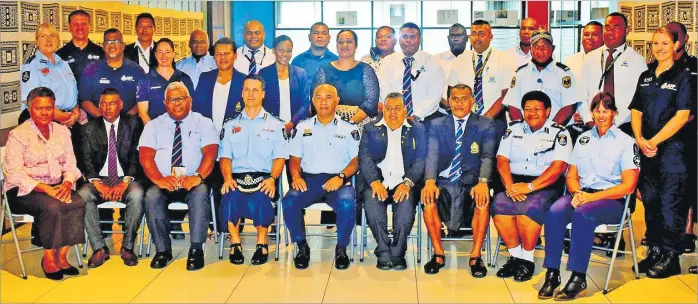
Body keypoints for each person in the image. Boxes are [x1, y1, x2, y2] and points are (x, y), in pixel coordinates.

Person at [538, 93, 640, 300]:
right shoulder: (583, 139)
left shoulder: (626, 142)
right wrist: (577, 192)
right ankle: (552, 274)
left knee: (583, 213)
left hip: (613, 201)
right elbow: (572, 175)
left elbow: (628, 186)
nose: (601, 115)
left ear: (614, 113)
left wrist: (591, 198)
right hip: (583, 195)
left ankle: (578, 277)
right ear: (591, 112)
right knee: (554, 211)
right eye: (597, 110)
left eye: (605, 111)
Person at [629, 27, 693, 279]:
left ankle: (671, 256)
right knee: (651, 202)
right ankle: (655, 250)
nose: (659, 48)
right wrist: (639, 138)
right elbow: (636, 109)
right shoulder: (645, 75)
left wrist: (653, 140)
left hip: (673, 152)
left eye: (665, 43)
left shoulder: (684, 76)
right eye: (655, 43)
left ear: (676, 45)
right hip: (648, 150)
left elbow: (683, 115)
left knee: (671, 204)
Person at [3, 87, 86, 281]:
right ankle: (48, 257)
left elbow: (71, 164)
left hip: (57, 184)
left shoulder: (62, 131)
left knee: (78, 202)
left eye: (48, 108)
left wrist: (67, 183)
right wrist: (46, 189)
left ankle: (62, 256)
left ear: (53, 108)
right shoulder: (18, 135)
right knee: (53, 206)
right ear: (29, 108)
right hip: (24, 190)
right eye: (39, 108)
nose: (44, 112)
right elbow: (13, 174)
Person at [492, 90, 572, 282]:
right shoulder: (513, 130)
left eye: (537, 109)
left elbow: (558, 167)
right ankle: (515, 256)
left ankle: (527, 260)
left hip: (545, 184)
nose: (532, 113)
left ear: (548, 111)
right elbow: (502, 160)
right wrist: (510, 186)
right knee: (499, 207)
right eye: (527, 109)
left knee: (528, 210)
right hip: (513, 182)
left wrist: (528, 187)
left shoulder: (560, 133)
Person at [138, 81, 219, 271]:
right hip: (164, 179)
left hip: (193, 179)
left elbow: (211, 153)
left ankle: (196, 249)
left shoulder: (204, 123)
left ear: (189, 100)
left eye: (182, 98)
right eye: (173, 100)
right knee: (151, 196)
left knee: (201, 193)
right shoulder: (153, 126)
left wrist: (198, 176)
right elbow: (146, 156)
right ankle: (162, 250)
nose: (178, 103)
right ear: (165, 103)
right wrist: (159, 179)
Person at [282, 84, 360, 270]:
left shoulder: (349, 129)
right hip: (309, 180)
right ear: (313, 101)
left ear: (337, 101)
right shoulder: (302, 127)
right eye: (318, 97)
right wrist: (295, 177)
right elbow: (294, 160)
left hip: (338, 181)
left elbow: (356, 161)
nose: (323, 101)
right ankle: (301, 246)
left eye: (328, 97)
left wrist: (341, 177)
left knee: (348, 204)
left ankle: (341, 249)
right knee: (289, 201)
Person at [420, 84, 495, 277]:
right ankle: (438, 254)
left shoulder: (485, 124)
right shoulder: (437, 125)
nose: (459, 103)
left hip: (472, 182)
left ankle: (476, 256)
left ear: (472, 101)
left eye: (464, 98)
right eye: (454, 98)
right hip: (444, 181)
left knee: (483, 200)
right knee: (427, 200)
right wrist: (429, 181)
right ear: (448, 102)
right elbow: (432, 155)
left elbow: (487, 156)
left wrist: (483, 182)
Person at [219, 75, 288, 266]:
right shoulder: (230, 125)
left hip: (264, 178)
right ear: (241, 93)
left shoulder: (276, 125)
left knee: (262, 196)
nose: (250, 94)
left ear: (263, 94)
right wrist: (227, 178)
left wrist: (273, 178)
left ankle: (261, 243)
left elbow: (279, 157)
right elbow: (225, 157)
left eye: (255, 90)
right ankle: (235, 243)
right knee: (229, 195)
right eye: (247, 90)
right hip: (236, 178)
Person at [77, 88, 145, 268]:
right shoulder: (88, 128)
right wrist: (98, 183)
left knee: (137, 195)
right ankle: (99, 248)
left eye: (112, 103)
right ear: (99, 106)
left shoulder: (134, 124)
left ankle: (128, 247)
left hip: (126, 178)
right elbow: (85, 159)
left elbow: (137, 156)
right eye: (103, 104)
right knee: (83, 196)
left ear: (121, 104)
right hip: (99, 178)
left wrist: (125, 182)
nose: (108, 108)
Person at [359, 92, 426, 270]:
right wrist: (374, 182)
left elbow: (420, 160)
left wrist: (407, 183)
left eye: (397, 109)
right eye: (388, 108)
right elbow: (365, 158)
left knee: (405, 208)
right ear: (383, 110)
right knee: (373, 206)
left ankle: (397, 253)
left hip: (404, 182)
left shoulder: (417, 129)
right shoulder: (371, 128)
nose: (393, 113)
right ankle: (383, 251)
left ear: (405, 111)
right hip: (378, 181)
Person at [578, 13, 648, 134]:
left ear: (627, 31)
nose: (610, 31)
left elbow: (641, 99)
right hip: (592, 127)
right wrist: (589, 121)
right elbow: (581, 93)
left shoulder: (637, 60)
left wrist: (619, 123)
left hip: (625, 127)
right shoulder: (590, 58)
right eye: (607, 27)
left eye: (616, 27)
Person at [446, 20, 513, 141]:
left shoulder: (503, 59)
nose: (477, 37)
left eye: (481, 33)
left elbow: (506, 94)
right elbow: (451, 91)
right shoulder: (461, 60)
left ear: (491, 36)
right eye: (474, 33)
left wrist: (484, 119)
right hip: (465, 123)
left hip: (494, 121)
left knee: (491, 158)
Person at [662, 21, 697, 255]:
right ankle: (660, 233)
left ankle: (687, 232)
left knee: (689, 185)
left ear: (683, 39)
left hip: (690, 133)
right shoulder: (656, 66)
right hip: (663, 135)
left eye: (675, 35)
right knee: (664, 188)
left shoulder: (694, 65)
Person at [503, 30, 577, 126]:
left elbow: (569, 106)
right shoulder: (520, 73)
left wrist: (550, 130)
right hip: (525, 132)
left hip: (556, 131)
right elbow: (513, 105)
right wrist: (522, 129)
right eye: (536, 46)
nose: (540, 50)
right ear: (530, 49)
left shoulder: (564, 74)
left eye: (545, 46)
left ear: (553, 49)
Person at [378, 23, 445, 125]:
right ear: (399, 39)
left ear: (420, 38)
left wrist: (417, 116)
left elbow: (435, 94)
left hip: (426, 120)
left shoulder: (433, 61)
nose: (408, 40)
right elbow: (384, 90)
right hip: (394, 120)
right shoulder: (388, 62)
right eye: (404, 37)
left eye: (412, 37)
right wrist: (396, 113)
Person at [313, 29, 379, 125]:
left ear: (356, 45)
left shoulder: (366, 70)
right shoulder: (324, 70)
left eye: (349, 41)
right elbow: (316, 100)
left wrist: (349, 124)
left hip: (360, 125)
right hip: (327, 124)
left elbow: (371, 103)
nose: (344, 45)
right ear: (336, 46)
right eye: (340, 42)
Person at [19, 23, 79, 127]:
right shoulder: (31, 66)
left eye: (52, 35)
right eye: (43, 36)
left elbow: (73, 95)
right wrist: (64, 117)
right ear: (37, 42)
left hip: (68, 120)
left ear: (57, 41)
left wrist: (76, 113)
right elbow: (32, 102)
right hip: (42, 122)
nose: (48, 39)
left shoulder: (64, 64)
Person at [80, 28, 144, 119]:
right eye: (108, 42)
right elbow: (85, 100)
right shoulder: (91, 69)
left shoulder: (137, 70)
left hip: (129, 125)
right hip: (98, 124)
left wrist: (125, 120)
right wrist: (103, 119)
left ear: (123, 46)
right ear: (103, 46)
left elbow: (143, 100)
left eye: (116, 41)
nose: (112, 45)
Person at [257, 35, 311, 133]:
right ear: (273, 50)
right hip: (269, 128)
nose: (285, 54)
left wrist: (291, 123)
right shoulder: (263, 73)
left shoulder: (300, 74)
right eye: (281, 50)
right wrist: (273, 124)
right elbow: (259, 102)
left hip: (296, 128)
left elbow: (305, 104)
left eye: (289, 51)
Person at [136, 38, 195, 124]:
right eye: (160, 52)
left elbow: (190, 108)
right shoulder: (145, 81)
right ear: (155, 55)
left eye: (167, 52)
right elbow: (143, 113)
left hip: (181, 129)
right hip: (155, 131)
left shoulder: (184, 78)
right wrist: (155, 133)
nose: (163, 56)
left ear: (173, 54)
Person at [193, 37, 246, 133]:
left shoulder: (244, 81)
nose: (222, 58)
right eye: (218, 54)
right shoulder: (205, 78)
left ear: (235, 56)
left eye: (226, 54)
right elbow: (196, 109)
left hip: (235, 138)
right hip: (208, 138)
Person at [564, 21, 604, 140]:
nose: (589, 38)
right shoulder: (570, 61)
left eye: (595, 34)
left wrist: (590, 117)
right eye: (586, 34)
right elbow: (566, 93)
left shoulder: (608, 61)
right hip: (572, 122)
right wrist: (573, 114)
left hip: (599, 122)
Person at [56, 9, 105, 87]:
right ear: (69, 27)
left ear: (90, 27)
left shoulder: (102, 53)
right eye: (75, 24)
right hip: (70, 99)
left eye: (84, 24)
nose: (80, 28)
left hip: (96, 99)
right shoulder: (60, 55)